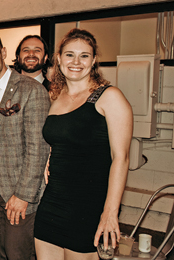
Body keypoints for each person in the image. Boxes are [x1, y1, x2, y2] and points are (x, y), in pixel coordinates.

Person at [34, 28, 132, 259]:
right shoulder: (55, 97)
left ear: (94, 60)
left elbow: (121, 158)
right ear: (58, 59)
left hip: (87, 205)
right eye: (69, 55)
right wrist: (50, 154)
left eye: (84, 55)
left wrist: (110, 212)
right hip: (52, 201)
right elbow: (62, 137)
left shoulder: (110, 97)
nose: (76, 62)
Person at [0, 31, 50, 260]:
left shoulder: (31, 90)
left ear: (3, 53)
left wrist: (24, 194)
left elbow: (38, 148)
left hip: (17, 185)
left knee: (17, 252)